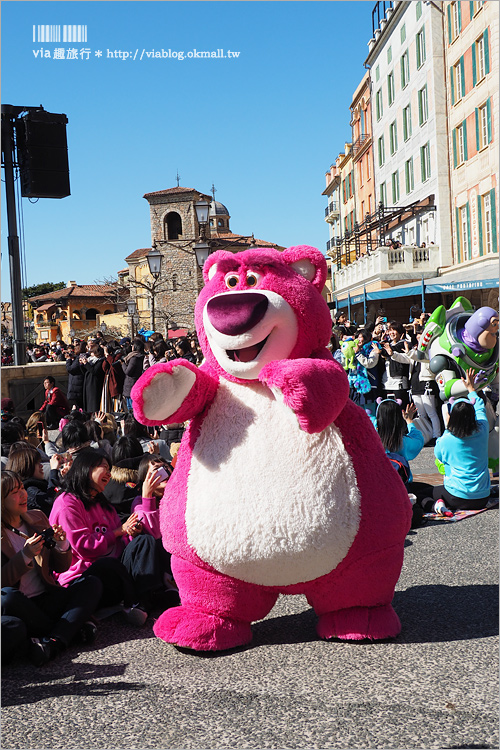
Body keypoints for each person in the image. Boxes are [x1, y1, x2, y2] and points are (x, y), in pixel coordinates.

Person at [49, 449, 165, 625]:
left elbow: (120, 542)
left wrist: (131, 534)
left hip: (115, 575)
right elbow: (84, 548)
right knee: (107, 564)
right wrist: (119, 532)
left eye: (109, 469)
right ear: (86, 469)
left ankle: (141, 604)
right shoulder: (67, 503)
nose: (109, 474)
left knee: (145, 540)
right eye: (104, 467)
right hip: (84, 581)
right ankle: (137, 600)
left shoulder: (103, 504)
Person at [1, 469, 102, 666]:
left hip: (47, 597)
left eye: (22, 487)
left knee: (92, 583)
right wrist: (25, 555)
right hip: (21, 606)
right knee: (6, 596)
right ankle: (68, 632)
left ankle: (53, 641)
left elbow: (61, 567)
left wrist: (61, 544)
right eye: (14, 492)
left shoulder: (36, 517)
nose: (23, 494)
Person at [421, 369, 492, 514]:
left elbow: (438, 455)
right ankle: (439, 503)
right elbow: (479, 407)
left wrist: (448, 427)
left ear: (452, 417)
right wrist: (471, 388)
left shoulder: (447, 439)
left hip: (456, 497)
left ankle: (437, 506)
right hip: (483, 497)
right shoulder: (483, 429)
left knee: (420, 491)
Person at [5, 441, 64, 517]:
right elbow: (50, 500)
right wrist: (54, 471)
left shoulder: (38, 484)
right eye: (38, 463)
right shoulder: (28, 488)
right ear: (27, 466)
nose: (41, 466)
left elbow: (55, 491)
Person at [379, 321, 411, 407]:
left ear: (400, 332)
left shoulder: (405, 344)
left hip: (398, 383)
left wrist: (382, 350)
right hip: (386, 382)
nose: (391, 333)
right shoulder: (388, 345)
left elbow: (394, 349)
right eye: (390, 330)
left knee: (400, 409)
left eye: (394, 330)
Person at [81, 344, 106, 414]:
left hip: (94, 384)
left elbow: (94, 371)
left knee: (93, 404)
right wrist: (82, 364)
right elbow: (85, 371)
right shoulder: (91, 360)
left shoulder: (100, 361)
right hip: (88, 384)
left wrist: (86, 364)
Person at [122, 338, 145, 411]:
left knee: (131, 408)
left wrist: (123, 364)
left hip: (131, 384)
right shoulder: (140, 356)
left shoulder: (134, 358)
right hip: (134, 384)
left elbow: (128, 372)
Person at [66, 341, 87, 409]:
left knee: (76, 406)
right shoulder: (79, 357)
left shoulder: (79, 358)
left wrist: (68, 360)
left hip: (76, 386)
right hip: (78, 385)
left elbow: (70, 369)